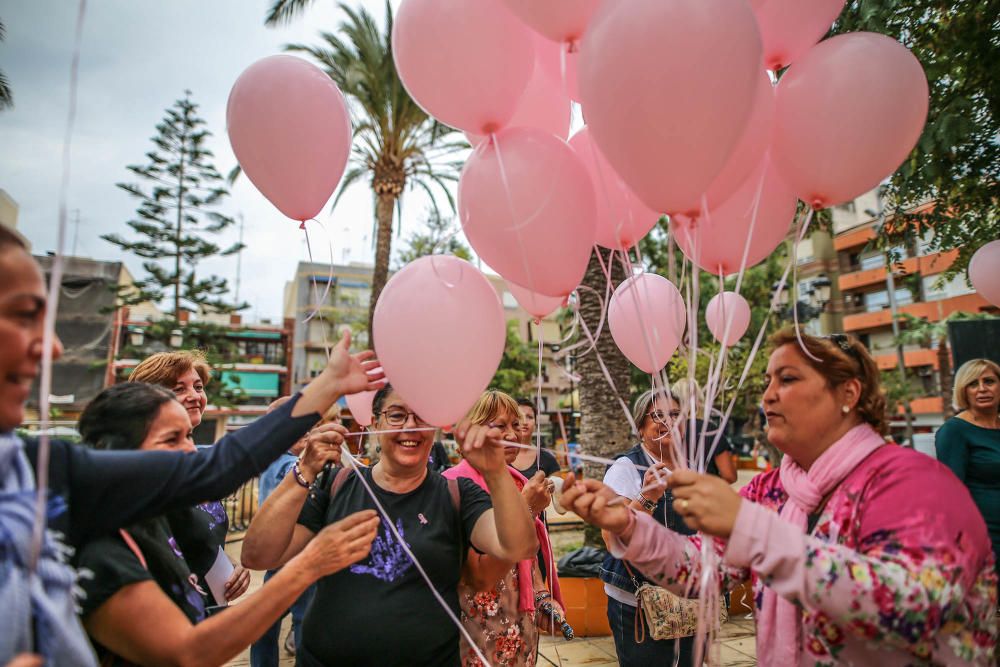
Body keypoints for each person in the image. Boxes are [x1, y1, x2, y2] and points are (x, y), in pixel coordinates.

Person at [0, 222, 384, 666]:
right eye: (23, 315)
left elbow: (217, 471)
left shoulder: (37, 467)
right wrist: (309, 563)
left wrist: (329, 385)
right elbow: (188, 651)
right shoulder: (101, 541)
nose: (51, 346)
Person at [561, 329, 997, 665]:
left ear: (848, 393)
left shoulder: (913, 482)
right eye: (768, 380)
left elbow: (916, 607)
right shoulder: (771, 488)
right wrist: (627, 525)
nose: (768, 394)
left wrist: (752, 528)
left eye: (787, 379)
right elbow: (698, 570)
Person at [73, 381, 380, 666]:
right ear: (117, 454)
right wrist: (309, 565)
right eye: (171, 439)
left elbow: (232, 460)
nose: (191, 451)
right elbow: (191, 651)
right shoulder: (103, 552)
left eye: (190, 436)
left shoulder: (155, 517)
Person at [241, 383, 539, 667]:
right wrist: (304, 469)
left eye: (421, 416)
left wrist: (495, 469)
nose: (410, 425)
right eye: (397, 415)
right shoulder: (336, 486)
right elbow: (258, 555)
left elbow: (519, 545)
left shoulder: (456, 494)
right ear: (374, 422)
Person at [443, 390, 564, 667]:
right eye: (499, 426)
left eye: (516, 425)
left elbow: (528, 556)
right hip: (476, 622)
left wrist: (543, 596)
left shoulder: (517, 481)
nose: (512, 435)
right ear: (473, 432)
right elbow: (468, 568)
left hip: (520, 619)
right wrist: (529, 508)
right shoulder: (453, 485)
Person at [129, 350, 249, 608]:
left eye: (198, 387)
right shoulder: (143, 474)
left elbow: (199, 541)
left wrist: (229, 566)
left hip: (212, 613)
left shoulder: (196, 463)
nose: (194, 396)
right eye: (178, 389)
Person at [599, 388, 695, 667]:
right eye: (659, 415)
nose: (669, 421)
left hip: (687, 599)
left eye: (676, 414)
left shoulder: (692, 467)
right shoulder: (626, 468)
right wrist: (648, 495)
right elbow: (612, 538)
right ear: (641, 427)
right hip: (638, 602)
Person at [249, 399, 338, 665]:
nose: (307, 434)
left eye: (310, 427)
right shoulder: (294, 468)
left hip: (283, 555)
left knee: (268, 621)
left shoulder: (272, 462)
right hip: (291, 553)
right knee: (299, 621)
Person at [936, 358, 1000, 576]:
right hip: (987, 536)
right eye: (973, 384)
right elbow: (951, 494)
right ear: (964, 391)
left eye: (989, 381)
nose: (982, 389)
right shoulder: (954, 431)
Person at [670, 379, 737, 483]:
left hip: (673, 494)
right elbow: (729, 476)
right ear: (699, 400)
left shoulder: (664, 431)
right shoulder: (709, 430)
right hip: (705, 495)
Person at [510, 398, 560, 481]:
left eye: (529, 417)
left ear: (536, 424)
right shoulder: (501, 457)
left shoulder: (548, 459)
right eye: (520, 416)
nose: (525, 422)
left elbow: (557, 491)